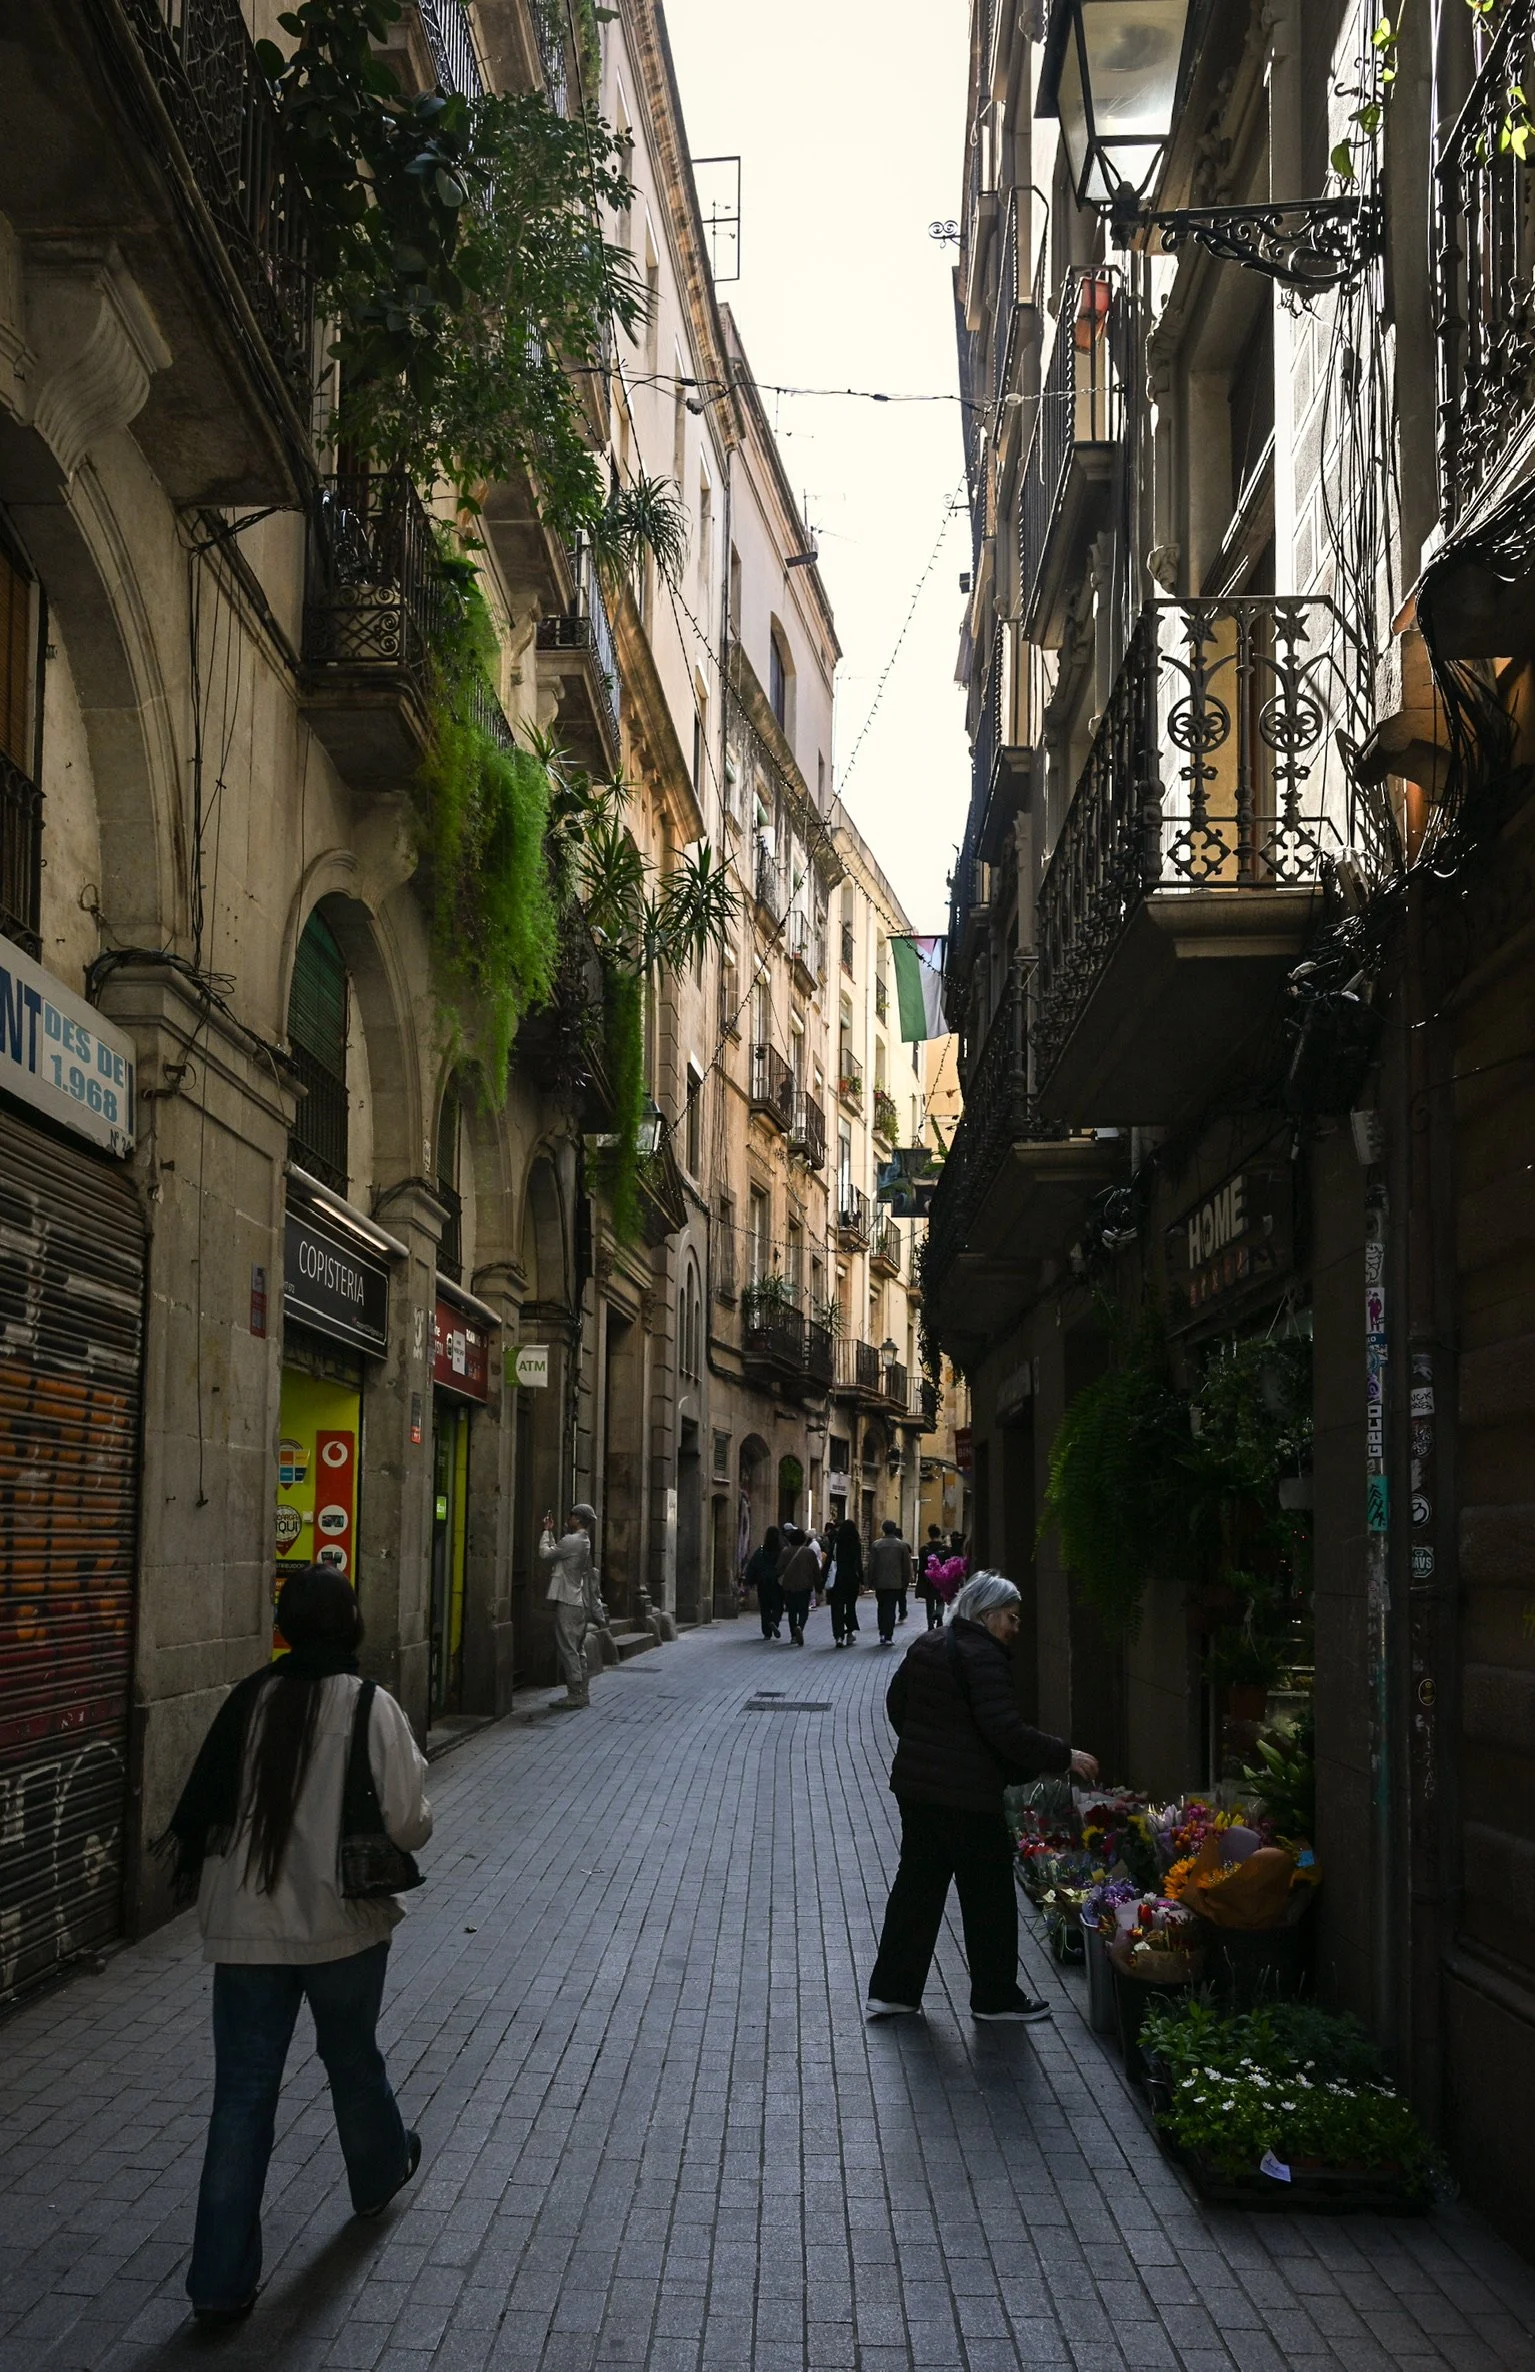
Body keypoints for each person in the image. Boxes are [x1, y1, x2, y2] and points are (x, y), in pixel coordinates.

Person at [160, 1567, 432, 2323]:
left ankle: (218, 2284)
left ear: (284, 1625)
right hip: (341, 1926)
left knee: (241, 2097)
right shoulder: (371, 1706)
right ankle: (377, 2175)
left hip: (245, 1931)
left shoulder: (248, 1698)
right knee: (351, 2055)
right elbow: (409, 1824)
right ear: (348, 1626)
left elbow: (206, 1807)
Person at [866, 1572, 1099, 2024]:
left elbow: (899, 1705)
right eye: (1011, 1617)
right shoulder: (985, 1657)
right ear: (987, 1614)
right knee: (988, 1894)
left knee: (917, 1888)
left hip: (917, 1791)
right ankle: (994, 1998)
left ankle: (893, 1991)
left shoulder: (929, 1644)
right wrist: (1063, 1756)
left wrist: (927, 1750)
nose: (1015, 1627)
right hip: (967, 1798)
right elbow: (1005, 1731)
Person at [539, 1503, 605, 1709]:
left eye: (571, 1515)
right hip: (579, 1603)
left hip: (568, 1601)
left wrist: (546, 1531)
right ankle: (581, 1692)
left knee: (568, 1649)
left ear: (578, 1518)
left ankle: (575, 1694)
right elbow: (558, 1553)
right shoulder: (584, 1541)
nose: (568, 1518)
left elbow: (546, 1554)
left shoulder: (572, 1540)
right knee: (577, 1649)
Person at [869, 1519, 915, 1646]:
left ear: (883, 1529)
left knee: (881, 1607)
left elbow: (872, 1565)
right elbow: (906, 1565)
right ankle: (888, 1635)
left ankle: (882, 1632)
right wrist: (906, 1580)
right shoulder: (901, 1546)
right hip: (895, 1582)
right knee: (891, 1608)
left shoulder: (876, 1545)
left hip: (880, 1582)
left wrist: (870, 1580)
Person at [778, 1524, 822, 1646]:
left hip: (789, 1586)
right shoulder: (809, 1553)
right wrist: (819, 1586)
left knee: (792, 1611)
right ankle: (800, 1627)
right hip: (805, 1585)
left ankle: (793, 1635)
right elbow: (815, 1571)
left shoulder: (785, 1552)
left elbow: (779, 1568)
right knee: (803, 1610)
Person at [827, 1516, 864, 1647]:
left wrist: (822, 1579)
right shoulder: (856, 1544)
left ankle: (838, 1635)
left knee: (837, 1607)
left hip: (838, 1579)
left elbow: (829, 1562)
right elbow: (858, 1564)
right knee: (850, 1607)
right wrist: (862, 1580)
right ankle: (850, 1633)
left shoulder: (836, 1543)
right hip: (851, 1579)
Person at [746, 1525, 784, 1641]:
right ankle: (774, 1621)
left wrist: (750, 1580)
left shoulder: (761, 1550)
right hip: (777, 1582)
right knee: (778, 1606)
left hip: (763, 1582)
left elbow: (753, 1565)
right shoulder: (782, 1551)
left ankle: (767, 1632)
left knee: (765, 1607)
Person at [916, 1525, 946, 1630]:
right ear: (939, 1534)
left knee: (929, 1602)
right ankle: (939, 1616)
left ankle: (930, 1624)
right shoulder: (945, 1549)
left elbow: (921, 1568)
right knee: (941, 1599)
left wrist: (920, 1583)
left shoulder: (924, 1549)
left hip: (928, 1580)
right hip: (942, 1578)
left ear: (929, 1534)